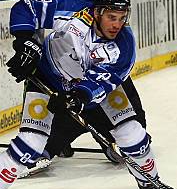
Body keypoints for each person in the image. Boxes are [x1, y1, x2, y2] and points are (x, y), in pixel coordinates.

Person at [0, 0, 177, 189]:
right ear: (97, 12)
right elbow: (25, 8)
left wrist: (77, 97)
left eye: (121, 18)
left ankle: (149, 184)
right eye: (111, 17)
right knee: (30, 143)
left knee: (133, 134)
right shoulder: (72, 10)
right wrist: (25, 42)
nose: (117, 24)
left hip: (89, 89)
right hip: (47, 78)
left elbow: (101, 83)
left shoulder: (124, 46)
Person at [17, 75, 148, 178]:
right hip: (67, 108)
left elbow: (133, 109)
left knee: (130, 144)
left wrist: (131, 137)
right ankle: (51, 144)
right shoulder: (53, 51)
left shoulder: (113, 53)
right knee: (39, 149)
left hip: (103, 105)